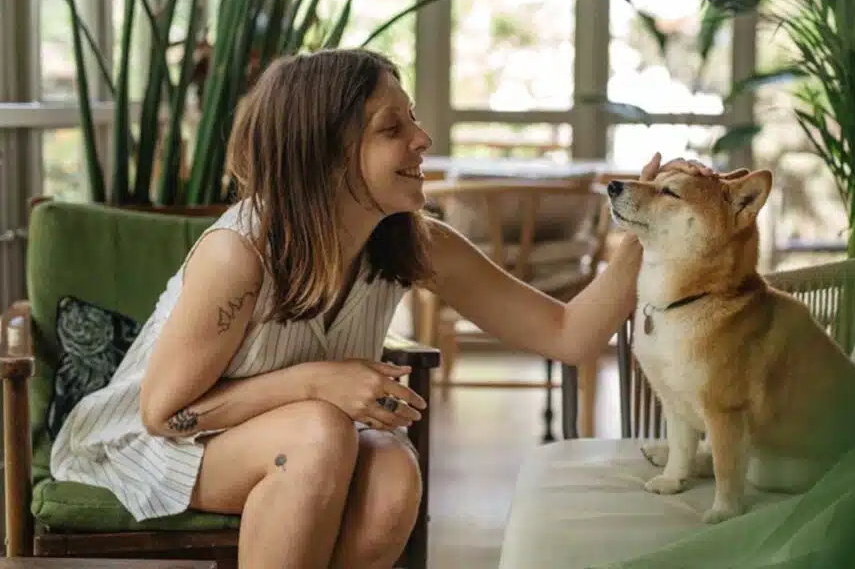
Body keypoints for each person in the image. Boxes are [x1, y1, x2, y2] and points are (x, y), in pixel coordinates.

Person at [49, 48, 714, 569]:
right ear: (323, 156)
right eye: (392, 128)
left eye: (413, 119)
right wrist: (319, 383)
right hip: (148, 446)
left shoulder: (414, 244)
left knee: (393, 473)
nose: (423, 139)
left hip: (293, 437)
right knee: (319, 430)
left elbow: (568, 334)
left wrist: (644, 232)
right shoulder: (240, 254)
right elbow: (163, 415)